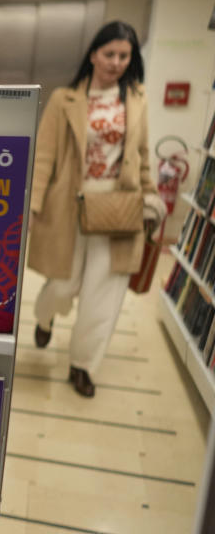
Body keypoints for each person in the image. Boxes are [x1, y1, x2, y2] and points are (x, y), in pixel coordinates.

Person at [28, 20, 165, 398]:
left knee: (103, 293)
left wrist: (151, 198)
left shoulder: (137, 98)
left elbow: (141, 155)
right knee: (63, 284)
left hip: (120, 208)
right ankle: (45, 316)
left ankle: (83, 365)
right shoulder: (64, 98)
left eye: (125, 56)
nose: (117, 62)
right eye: (110, 54)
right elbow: (44, 156)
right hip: (69, 205)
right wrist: (34, 204)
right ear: (93, 54)